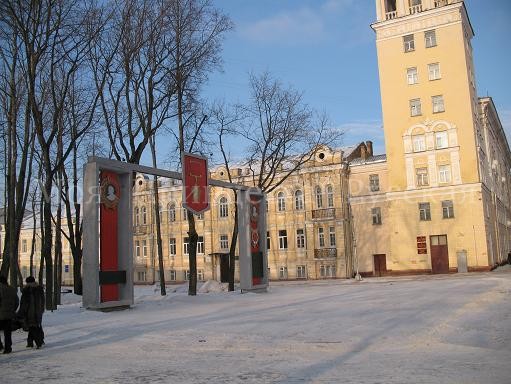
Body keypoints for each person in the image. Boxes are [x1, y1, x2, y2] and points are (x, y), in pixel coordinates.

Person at [18, 276, 45, 349]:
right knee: (35, 326)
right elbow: (43, 301)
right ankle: (30, 342)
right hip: (38, 311)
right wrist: (41, 310)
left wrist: (22, 312)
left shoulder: (27, 290)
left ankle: (38, 342)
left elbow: (24, 303)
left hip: (30, 312)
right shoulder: (39, 289)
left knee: (32, 327)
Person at [0, 275, 19, 354]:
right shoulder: (12, 289)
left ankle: (0, 346)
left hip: (0, 314)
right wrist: (12, 310)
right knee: (7, 332)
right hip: (9, 315)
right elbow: (16, 302)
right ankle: (8, 348)